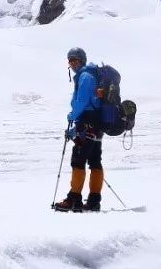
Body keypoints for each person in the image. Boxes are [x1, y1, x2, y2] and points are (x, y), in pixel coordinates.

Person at [53, 46, 105, 212]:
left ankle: (74, 199)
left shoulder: (85, 76)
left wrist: (73, 115)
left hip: (87, 122)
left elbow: (82, 101)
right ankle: (94, 200)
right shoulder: (91, 75)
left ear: (82, 60)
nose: (72, 63)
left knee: (78, 160)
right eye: (70, 61)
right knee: (95, 161)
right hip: (96, 124)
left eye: (75, 60)